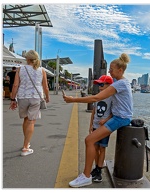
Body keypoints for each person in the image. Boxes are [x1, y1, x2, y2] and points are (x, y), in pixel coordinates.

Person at [63, 53, 133, 188]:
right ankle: (92, 172)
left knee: (89, 140)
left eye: (111, 69)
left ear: (120, 70)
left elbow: (96, 98)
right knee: (93, 142)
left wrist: (73, 100)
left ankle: (86, 176)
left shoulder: (120, 84)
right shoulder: (122, 83)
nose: (109, 71)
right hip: (120, 117)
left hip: (121, 118)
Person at [9, 50, 50, 156]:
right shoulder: (41, 70)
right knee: (31, 121)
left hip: (22, 97)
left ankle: (26, 142)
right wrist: (47, 97)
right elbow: (45, 86)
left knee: (26, 119)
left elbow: (15, 85)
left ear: (27, 58)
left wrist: (13, 99)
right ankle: (26, 147)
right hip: (36, 97)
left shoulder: (20, 69)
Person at [89, 75, 113, 183]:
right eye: (99, 84)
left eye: (102, 84)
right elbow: (93, 111)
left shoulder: (112, 97)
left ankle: (99, 171)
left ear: (109, 85)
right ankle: (96, 167)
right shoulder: (97, 96)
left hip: (104, 127)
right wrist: (90, 125)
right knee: (94, 147)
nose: (99, 87)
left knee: (102, 148)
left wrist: (106, 120)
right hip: (95, 126)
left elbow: (114, 113)